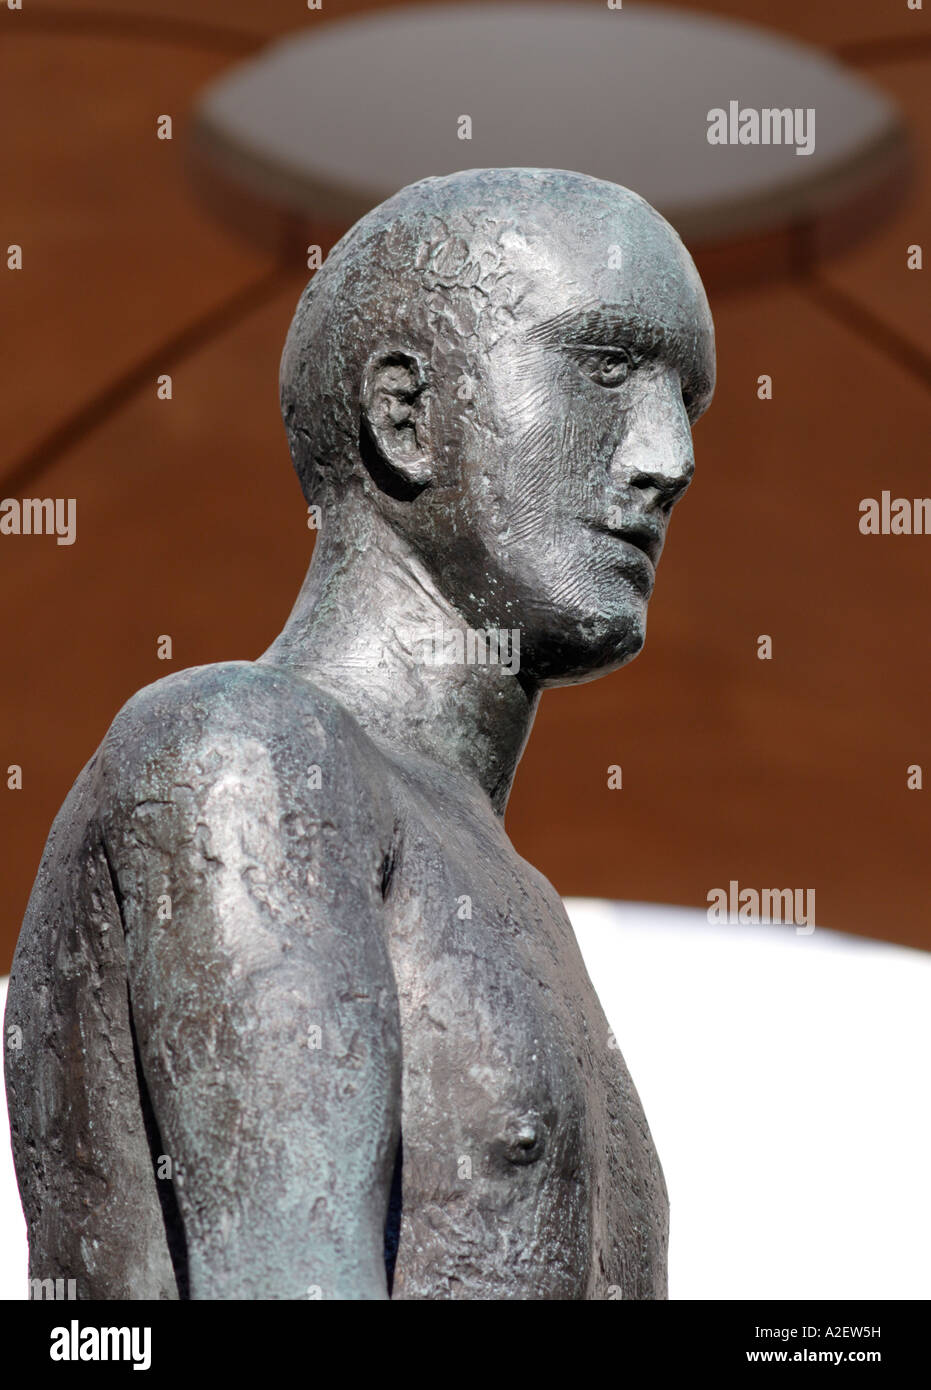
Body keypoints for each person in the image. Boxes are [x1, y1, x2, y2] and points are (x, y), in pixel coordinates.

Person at [5, 168, 715, 1300]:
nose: (666, 456)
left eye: (689, 401)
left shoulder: (509, 889)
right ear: (405, 414)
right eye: (606, 368)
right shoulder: (243, 750)